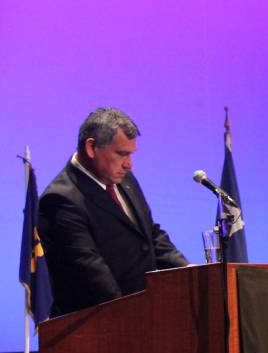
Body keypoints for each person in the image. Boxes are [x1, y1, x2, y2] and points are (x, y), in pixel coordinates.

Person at [38, 107, 188, 316]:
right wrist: (136, 315)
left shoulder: (124, 179)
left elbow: (150, 235)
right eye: (121, 154)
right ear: (91, 147)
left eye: (131, 154)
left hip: (140, 314)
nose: (129, 164)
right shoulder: (60, 199)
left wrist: (190, 273)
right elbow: (91, 274)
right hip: (101, 323)